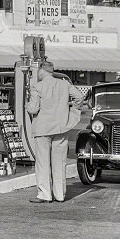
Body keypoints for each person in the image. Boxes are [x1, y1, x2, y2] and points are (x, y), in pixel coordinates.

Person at [25, 60, 87, 203]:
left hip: (42, 129)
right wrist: (73, 112)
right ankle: (60, 195)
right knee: (60, 162)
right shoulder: (64, 84)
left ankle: (44, 194)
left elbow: (33, 109)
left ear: (41, 70)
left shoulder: (37, 87)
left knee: (43, 162)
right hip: (61, 127)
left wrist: (27, 104)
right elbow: (79, 97)